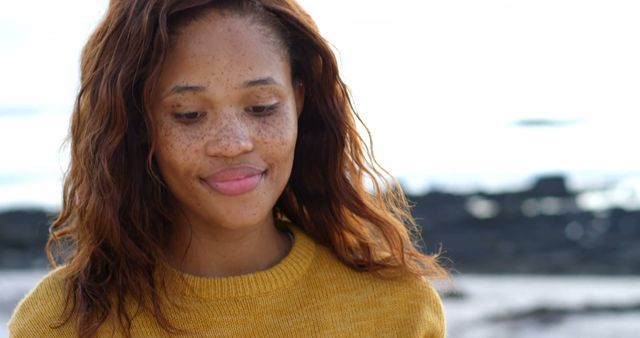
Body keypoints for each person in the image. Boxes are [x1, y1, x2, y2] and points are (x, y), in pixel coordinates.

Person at [9, 0, 448, 337]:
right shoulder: (61, 324)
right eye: (188, 115)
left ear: (298, 101)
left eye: (261, 107)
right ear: (138, 124)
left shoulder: (397, 310)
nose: (234, 143)